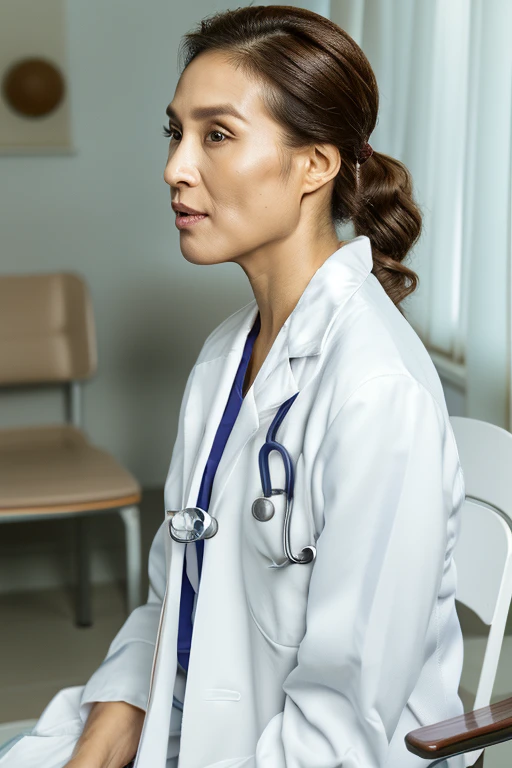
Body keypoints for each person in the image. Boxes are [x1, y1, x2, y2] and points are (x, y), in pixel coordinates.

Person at [0, 5, 470, 768]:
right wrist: (101, 741)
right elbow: (168, 596)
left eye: (216, 135)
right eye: (175, 133)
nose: (175, 168)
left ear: (315, 164)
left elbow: (339, 727)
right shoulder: (228, 353)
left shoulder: (376, 392)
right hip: (199, 712)